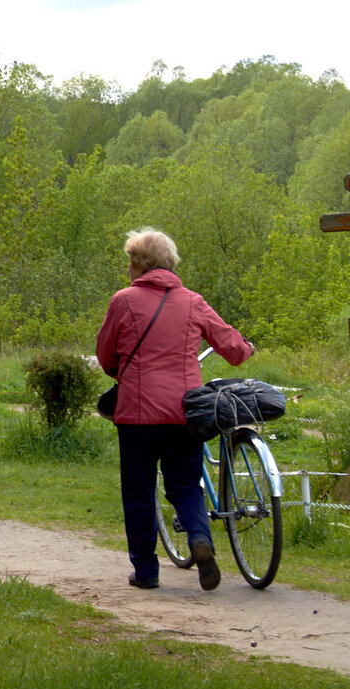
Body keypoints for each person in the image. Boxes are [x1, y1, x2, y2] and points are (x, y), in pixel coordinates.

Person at [96, 228, 254, 592]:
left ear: (138, 265)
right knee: (185, 485)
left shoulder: (123, 301)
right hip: (185, 413)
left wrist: (123, 373)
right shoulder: (192, 301)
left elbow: (106, 355)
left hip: (136, 416)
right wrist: (246, 349)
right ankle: (201, 539)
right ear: (169, 264)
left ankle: (147, 571)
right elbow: (231, 346)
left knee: (138, 491)